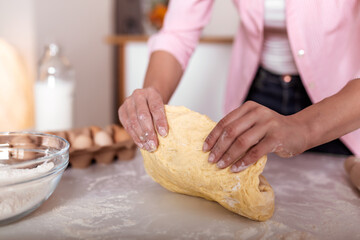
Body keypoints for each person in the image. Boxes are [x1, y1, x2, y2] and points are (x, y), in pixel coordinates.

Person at [119, 0, 360, 172]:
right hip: (258, 95)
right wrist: (151, 95)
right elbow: (178, 31)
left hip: (340, 104)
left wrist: (304, 127)